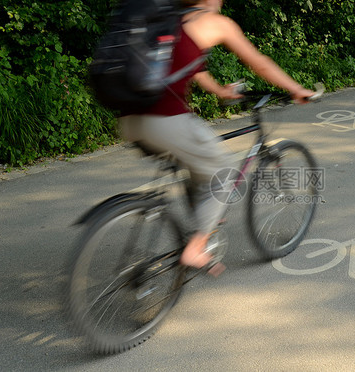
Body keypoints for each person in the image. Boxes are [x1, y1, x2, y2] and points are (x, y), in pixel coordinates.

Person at [119, 0, 314, 272]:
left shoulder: (168, 19)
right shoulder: (215, 23)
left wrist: (221, 91)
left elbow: (195, 70)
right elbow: (259, 63)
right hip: (165, 122)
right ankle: (196, 247)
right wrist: (296, 89)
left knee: (198, 161)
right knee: (223, 170)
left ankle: (204, 224)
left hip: (130, 120)